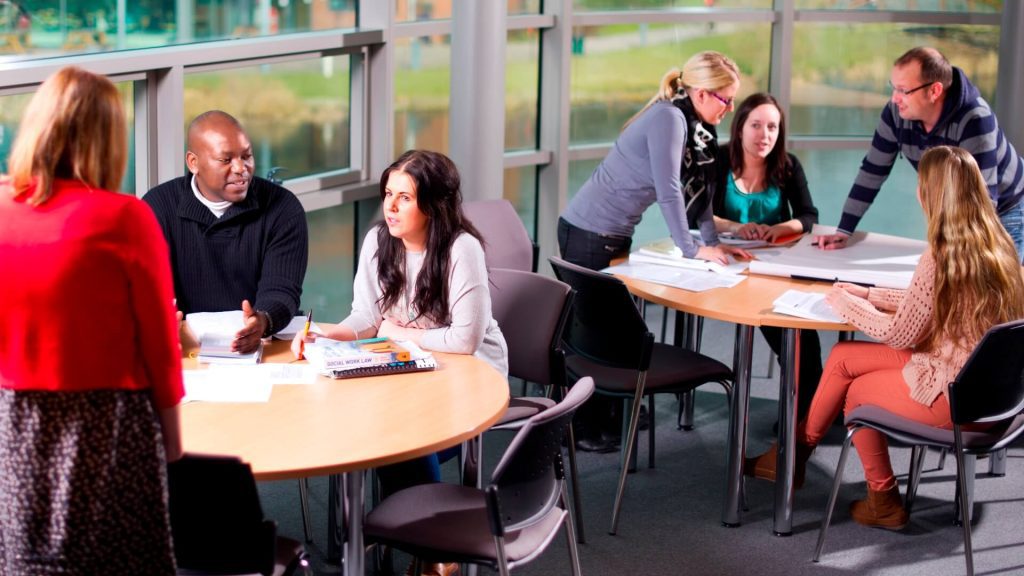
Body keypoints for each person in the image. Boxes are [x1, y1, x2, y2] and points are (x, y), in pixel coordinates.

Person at [745, 146, 1024, 530]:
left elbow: (900, 334)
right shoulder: (999, 249)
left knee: (857, 392)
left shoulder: (941, 255)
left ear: (932, 193)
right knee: (844, 356)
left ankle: (883, 500)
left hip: (956, 395)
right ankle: (791, 457)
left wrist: (843, 300)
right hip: (995, 395)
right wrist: (868, 293)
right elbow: (930, 303)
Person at [0, 67, 183, 573]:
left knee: (24, 560)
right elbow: (159, 342)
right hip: (105, 424)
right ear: (106, 138)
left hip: (15, 424)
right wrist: (172, 442)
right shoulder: (124, 217)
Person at [293, 149, 506, 576]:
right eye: (388, 194)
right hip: (410, 365)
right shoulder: (377, 240)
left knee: (403, 435)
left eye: (404, 197)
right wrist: (326, 332)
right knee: (385, 426)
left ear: (433, 203)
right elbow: (367, 318)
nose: (389, 207)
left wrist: (396, 333)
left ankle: (433, 548)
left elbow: (464, 341)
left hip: (469, 372)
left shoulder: (462, 249)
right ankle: (426, 544)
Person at [558, 50, 751, 451]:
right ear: (700, 92)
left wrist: (711, 244)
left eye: (732, 99)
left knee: (609, 327)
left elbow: (700, 193)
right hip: (588, 234)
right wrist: (690, 249)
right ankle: (586, 428)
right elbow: (670, 189)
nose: (730, 108)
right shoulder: (669, 119)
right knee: (600, 333)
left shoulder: (692, 126)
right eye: (724, 99)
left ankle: (612, 410)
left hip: (608, 234)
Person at [814, 47, 1024, 261]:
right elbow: (873, 171)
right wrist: (844, 230)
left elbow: (983, 199)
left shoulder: (976, 119)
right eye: (893, 88)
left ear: (935, 91)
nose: (895, 98)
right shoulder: (896, 113)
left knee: (997, 286)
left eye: (903, 90)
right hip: (957, 208)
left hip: (1007, 209)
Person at [143, 110, 308, 354]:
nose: (241, 168)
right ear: (193, 162)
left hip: (266, 345)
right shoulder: (158, 207)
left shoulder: (283, 208)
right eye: (226, 160)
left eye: (247, 156)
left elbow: (282, 290)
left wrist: (262, 322)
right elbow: (146, 292)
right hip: (183, 348)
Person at [713, 92, 822, 422]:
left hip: (769, 270)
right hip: (722, 267)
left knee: (801, 336)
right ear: (740, 127)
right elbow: (696, 214)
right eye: (756, 125)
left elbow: (808, 216)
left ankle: (804, 416)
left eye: (772, 127)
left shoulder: (787, 165)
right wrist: (737, 226)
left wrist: (780, 229)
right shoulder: (718, 160)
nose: (765, 135)